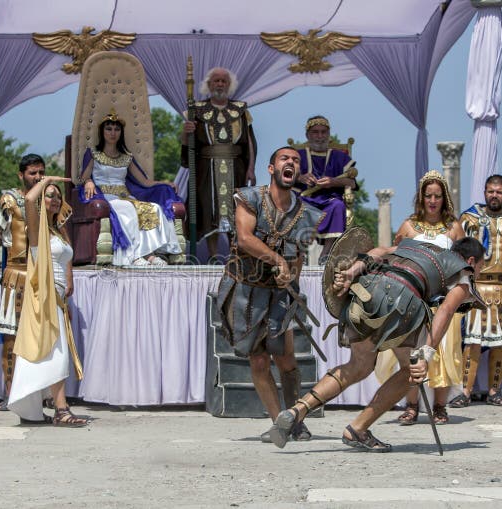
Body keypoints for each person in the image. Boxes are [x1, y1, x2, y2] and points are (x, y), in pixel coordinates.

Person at [268, 236, 486, 450]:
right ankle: (358, 429)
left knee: (358, 366)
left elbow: (379, 252)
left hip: (368, 291)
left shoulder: (413, 247)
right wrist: (426, 353)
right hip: (404, 302)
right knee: (411, 371)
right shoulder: (463, 273)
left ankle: (297, 410)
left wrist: (353, 270)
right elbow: (447, 310)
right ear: (471, 262)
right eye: (481, 267)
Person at [217, 146, 323, 442]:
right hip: (247, 293)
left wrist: (291, 279)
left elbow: (299, 254)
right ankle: (280, 423)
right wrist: (277, 261)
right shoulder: (250, 198)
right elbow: (245, 238)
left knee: (286, 360)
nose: (291, 163)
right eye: (284, 159)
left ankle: (295, 419)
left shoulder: (305, 214)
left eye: (296, 160)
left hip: (279, 296)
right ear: (271, 168)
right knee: (259, 361)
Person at [8, 175, 87, 427]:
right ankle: (61, 409)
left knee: (50, 353)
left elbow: (65, 260)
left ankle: (39, 408)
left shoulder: (57, 230)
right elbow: (29, 199)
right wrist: (48, 180)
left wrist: (68, 281)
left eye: (57, 195)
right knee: (57, 354)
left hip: (58, 299)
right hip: (43, 297)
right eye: (49, 196)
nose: (55, 199)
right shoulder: (36, 229)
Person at [452, 175, 502, 408]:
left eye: (498, 192)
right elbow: (459, 254)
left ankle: (495, 391)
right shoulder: (470, 218)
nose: (494, 196)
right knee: (473, 341)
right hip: (479, 286)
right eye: (490, 191)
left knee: (501, 343)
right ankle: (465, 391)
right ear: (485, 192)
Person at [392, 170, 465, 426]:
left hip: (446, 299)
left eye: (437, 196)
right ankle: (411, 405)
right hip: (414, 299)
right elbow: (396, 259)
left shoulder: (454, 228)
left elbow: (464, 263)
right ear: (421, 198)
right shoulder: (408, 226)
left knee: (442, 352)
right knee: (413, 352)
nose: (432, 201)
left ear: (444, 199)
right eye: (428, 196)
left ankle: (440, 406)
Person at [0, 154, 46, 410]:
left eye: (40, 173)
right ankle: (10, 392)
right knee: (11, 338)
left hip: (40, 277)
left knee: (40, 336)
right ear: (21, 175)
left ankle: (37, 393)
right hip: (14, 274)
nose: (37, 177)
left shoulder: (47, 200)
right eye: (32, 173)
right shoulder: (9, 202)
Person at [78, 108, 181, 266]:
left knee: (154, 208)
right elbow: (83, 177)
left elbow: (145, 182)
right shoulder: (93, 153)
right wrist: (88, 181)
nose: (113, 133)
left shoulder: (126, 156)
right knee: (129, 210)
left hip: (126, 196)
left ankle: (150, 255)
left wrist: (164, 183)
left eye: (117, 129)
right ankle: (134, 256)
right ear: (102, 131)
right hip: (106, 197)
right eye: (109, 129)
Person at [182, 67, 257, 261]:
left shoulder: (240, 109)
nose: (220, 84)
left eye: (224, 81)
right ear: (208, 85)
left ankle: (235, 255)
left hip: (237, 168)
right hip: (206, 169)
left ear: (229, 85)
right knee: (209, 211)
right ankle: (214, 255)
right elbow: (187, 144)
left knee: (236, 209)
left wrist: (251, 168)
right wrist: (186, 131)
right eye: (216, 81)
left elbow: (249, 141)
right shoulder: (197, 110)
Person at [294, 115, 357, 263]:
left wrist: (333, 181)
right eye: (315, 132)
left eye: (323, 132)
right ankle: (298, 255)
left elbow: (352, 183)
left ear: (328, 135)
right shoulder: (297, 156)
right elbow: (284, 176)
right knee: (294, 206)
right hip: (303, 198)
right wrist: (301, 178)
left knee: (338, 206)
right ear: (307, 135)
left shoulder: (339, 157)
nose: (320, 136)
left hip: (330, 199)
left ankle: (326, 255)